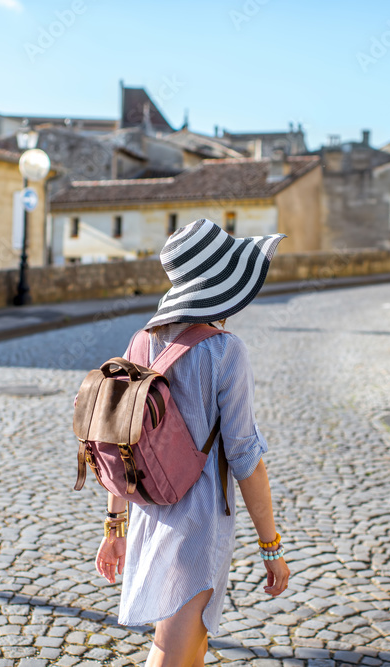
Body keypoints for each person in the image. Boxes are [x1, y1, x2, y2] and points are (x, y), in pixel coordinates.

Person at [94, 218, 291, 667]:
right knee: (172, 651)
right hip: (198, 522)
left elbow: (121, 439)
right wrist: (271, 547)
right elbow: (245, 457)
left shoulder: (140, 341)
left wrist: (114, 528)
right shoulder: (225, 351)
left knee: (191, 647)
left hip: (148, 513)